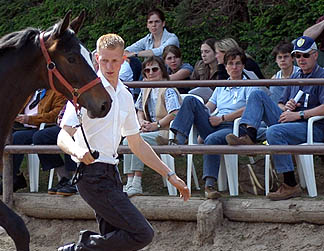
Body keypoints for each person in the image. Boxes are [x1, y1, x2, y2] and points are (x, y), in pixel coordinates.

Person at [57, 34, 189, 251]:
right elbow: (62, 135)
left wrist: (170, 174)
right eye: (104, 61)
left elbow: (137, 143)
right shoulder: (84, 92)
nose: (110, 66)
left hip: (110, 175)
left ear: (124, 60)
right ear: (96, 59)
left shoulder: (125, 95)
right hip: (91, 175)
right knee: (142, 233)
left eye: (115, 61)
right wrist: (78, 150)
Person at [225, 36, 324, 201]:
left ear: (315, 55)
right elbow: (280, 103)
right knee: (257, 93)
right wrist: (287, 108)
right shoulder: (296, 76)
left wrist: (299, 114)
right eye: (297, 56)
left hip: (312, 126)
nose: (301, 59)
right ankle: (249, 135)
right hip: (293, 121)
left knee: (274, 132)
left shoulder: (321, 75)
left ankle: (290, 184)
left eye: (305, 55)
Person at [167, 49, 260, 199]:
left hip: (234, 128)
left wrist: (223, 118)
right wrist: (200, 113)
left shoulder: (249, 85)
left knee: (211, 139)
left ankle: (209, 186)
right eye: (231, 64)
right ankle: (178, 143)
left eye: (237, 64)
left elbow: (250, 109)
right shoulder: (221, 85)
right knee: (191, 100)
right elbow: (210, 105)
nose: (234, 67)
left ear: (243, 66)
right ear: (226, 67)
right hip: (215, 123)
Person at [123, 56, 181, 197]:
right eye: (147, 70)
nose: (150, 73)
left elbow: (175, 113)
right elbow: (139, 110)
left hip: (166, 131)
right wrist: (142, 121)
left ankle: (137, 181)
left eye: (154, 69)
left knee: (136, 141)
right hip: (149, 130)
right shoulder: (146, 88)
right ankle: (130, 181)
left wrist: (157, 125)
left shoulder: (168, 89)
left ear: (162, 71)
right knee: (127, 140)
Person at [0, 88, 66, 195]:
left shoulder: (58, 93)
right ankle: (8, 176)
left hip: (40, 128)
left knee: (17, 138)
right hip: (21, 126)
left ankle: (10, 179)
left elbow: (54, 116)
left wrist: (29, 119)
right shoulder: (31, 93)